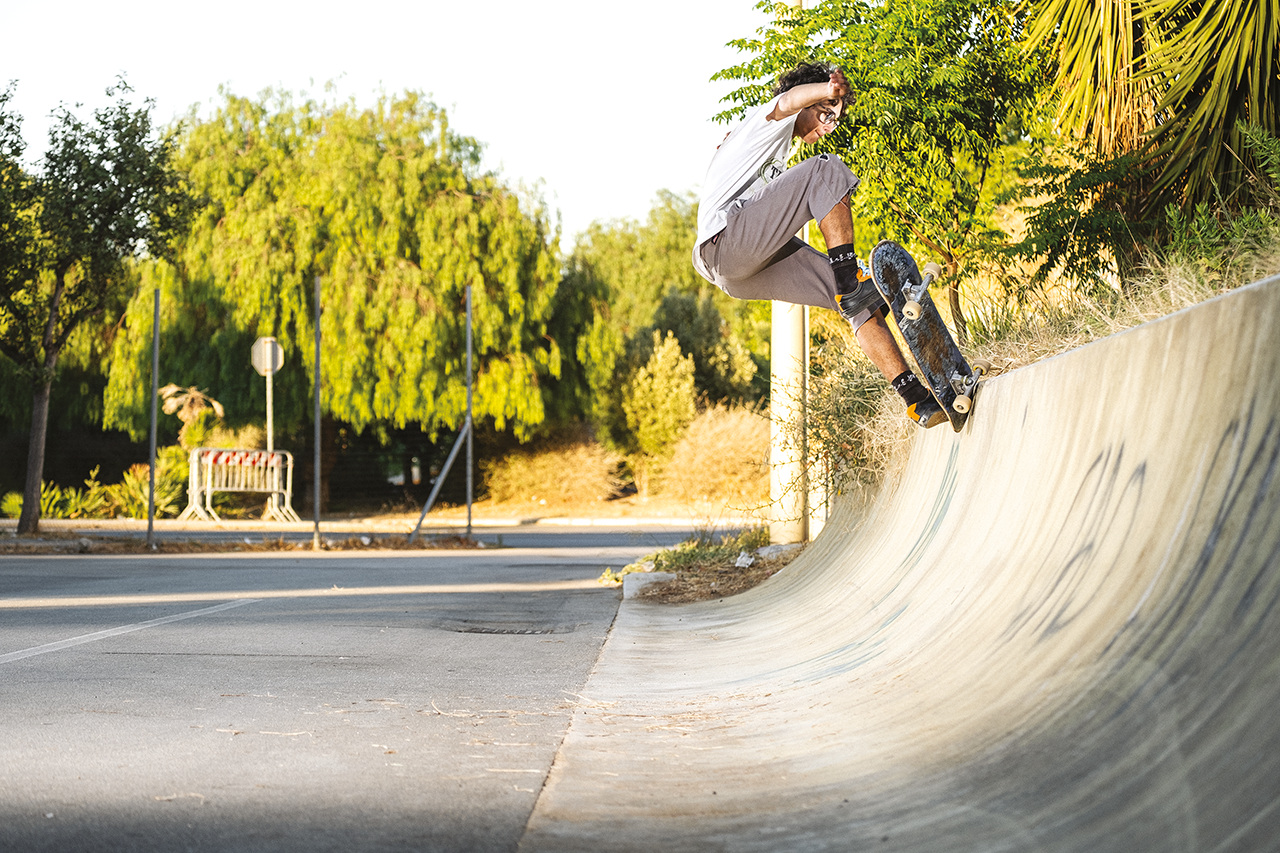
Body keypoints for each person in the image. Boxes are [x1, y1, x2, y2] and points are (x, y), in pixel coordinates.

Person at [692, 61, 946, 428]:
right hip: (723, 243)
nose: (828, 127)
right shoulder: (766, 122)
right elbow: (788, 100)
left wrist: (827, 101)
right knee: (825, 169)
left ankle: (917, 401)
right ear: (808, 102)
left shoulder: (775, 152)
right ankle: (848, 281)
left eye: (835, 122)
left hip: (739, 271)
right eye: (826, 115)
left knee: (858, 305)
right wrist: (828, 90)